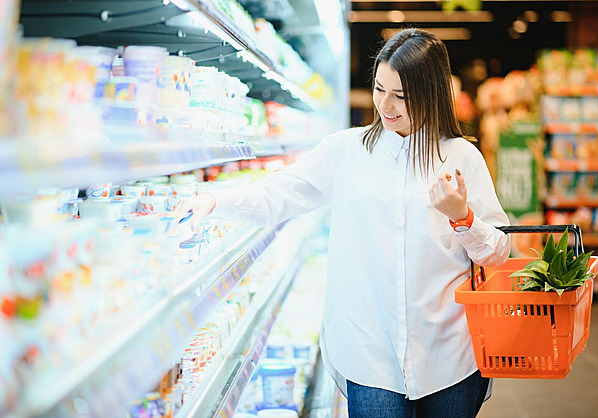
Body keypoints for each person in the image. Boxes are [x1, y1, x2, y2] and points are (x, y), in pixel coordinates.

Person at [176, 28, 510, 418]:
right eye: (379, 88)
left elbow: (499, 252)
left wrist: (462, 218)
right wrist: (215, 199)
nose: (386, 105)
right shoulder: (347, 151)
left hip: (448, 353)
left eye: (401, 96)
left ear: (431, 94)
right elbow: (281, 193)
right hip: (370, 355)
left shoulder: (461, 158)